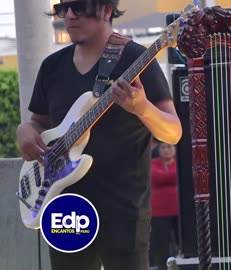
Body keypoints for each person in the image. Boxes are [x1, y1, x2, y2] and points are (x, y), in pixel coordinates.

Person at [15, 0, 182, 269]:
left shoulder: (136, 59)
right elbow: (38, 122)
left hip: (123, 211)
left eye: (79, 7)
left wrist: (142, 108)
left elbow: (173, 132)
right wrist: (25, 130)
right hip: (64, 206)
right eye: (63, 8)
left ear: (106, 10)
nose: (69, 15)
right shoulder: (52, 67)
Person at [149, 141, 179, 270]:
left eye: (170, 146)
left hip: (178, 211)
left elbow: (163, 178)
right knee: (161, 245)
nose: (167, 150)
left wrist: (165, 177)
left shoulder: (179, 163)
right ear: (158, 149)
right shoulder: (152, 163)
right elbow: (155, 177)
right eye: (164, 147)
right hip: (158, 212)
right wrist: (171, 177)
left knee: (181, 244)